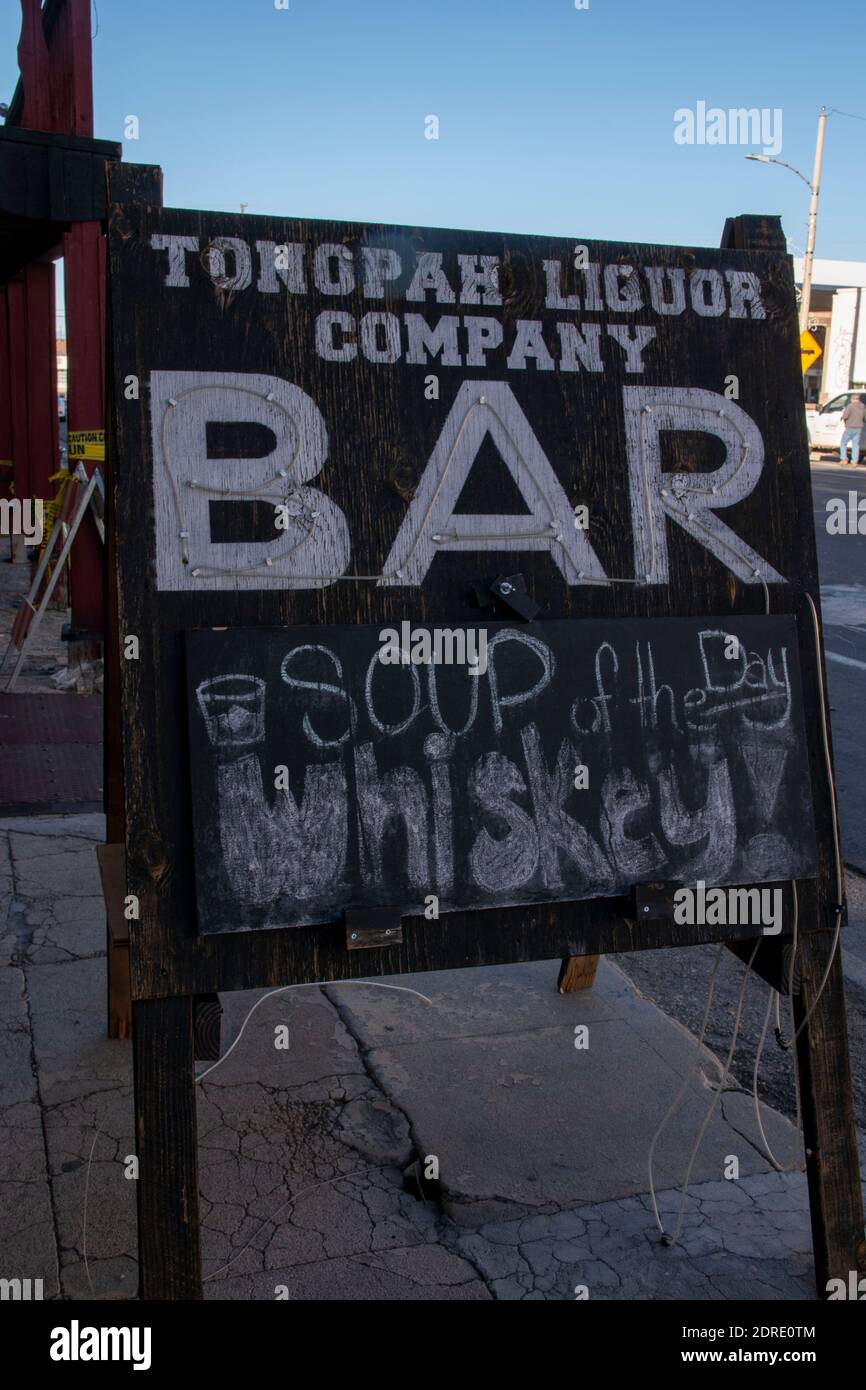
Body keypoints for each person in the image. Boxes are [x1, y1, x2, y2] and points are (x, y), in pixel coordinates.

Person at [840, 393, 866, 464]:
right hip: (859, 428)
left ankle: (844, 459)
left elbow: (845, 417)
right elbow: (864, 418)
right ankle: (854, 461)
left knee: (843, 443)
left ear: (853, 399)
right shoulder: (863, 406)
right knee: (856, 445)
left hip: (850, 427)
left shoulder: (850, 406)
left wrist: (845, 423)